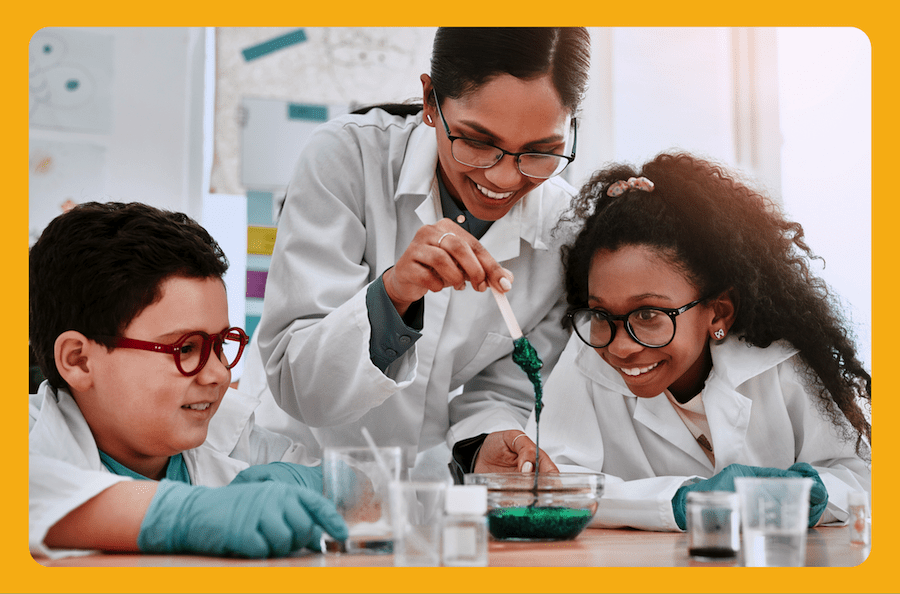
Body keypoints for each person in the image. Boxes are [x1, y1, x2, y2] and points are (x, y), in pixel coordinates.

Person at [241, 28, 591, 481]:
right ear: (430, 101)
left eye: (543, 151)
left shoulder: (565, 230)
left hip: (426, 489)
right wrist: (394, 293)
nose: (505, 179)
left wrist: (484, 443)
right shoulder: (347, 159)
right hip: (298, 467)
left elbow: (504, 391)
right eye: (478, 142)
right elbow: (299, 379)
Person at [508, 152, 870, 531]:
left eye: (648, 315)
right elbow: (550, 483)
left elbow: (858, 479)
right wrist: (682, 501)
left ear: (718, 313)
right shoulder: (588, 353)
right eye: (601, 314)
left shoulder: (781, 362)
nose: (620, 346)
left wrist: (812, 494)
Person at [29, 202, 348, 559]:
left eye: (221, 345)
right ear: (80, 360)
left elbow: (376, 493)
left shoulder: (232, 434)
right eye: (185, 348)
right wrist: (186, 513)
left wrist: (328, 485)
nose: (219, 374)